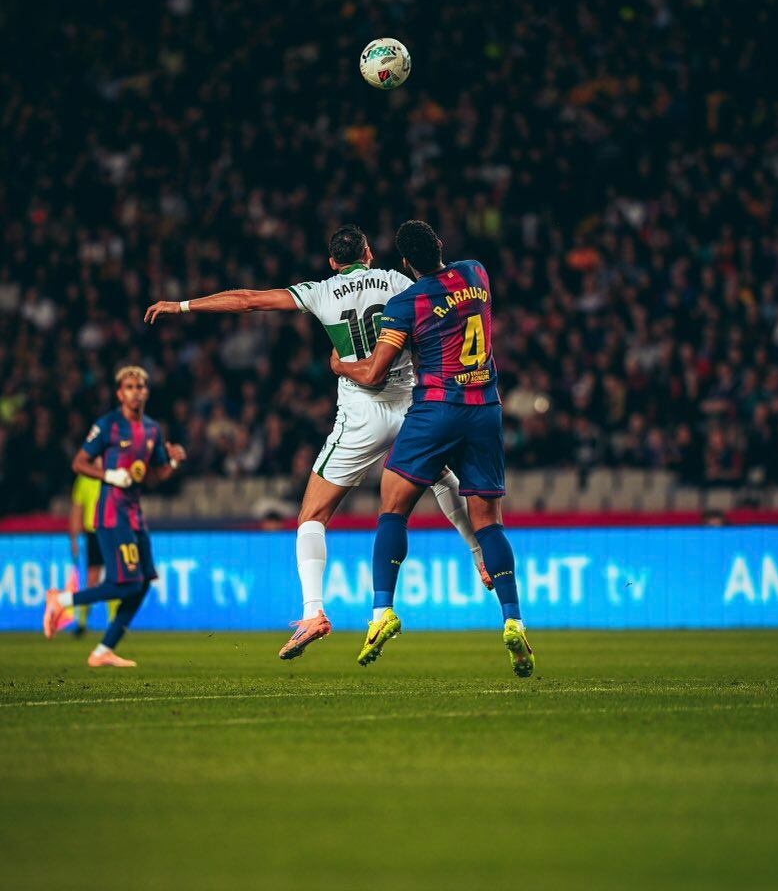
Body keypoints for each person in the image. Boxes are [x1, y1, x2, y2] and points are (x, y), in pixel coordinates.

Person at [144, 224, 491, 661]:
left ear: (332, 262)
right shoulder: (399, 281)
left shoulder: (321, 291)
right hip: (409, 403)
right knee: (441, 476)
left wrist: (182, 305)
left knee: (312, 515)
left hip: (361, 416)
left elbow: (249, 301)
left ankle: (314, 613)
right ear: (368, 252)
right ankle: (481, 555)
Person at [331, 220, 534, 677]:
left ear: (405, 263)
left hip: (437, 410)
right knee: (489, 523)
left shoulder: (406, 303)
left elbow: (375, 374)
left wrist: (340, 365)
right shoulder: (477, 274)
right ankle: (512, 619)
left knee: (393, 507)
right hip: (485, 409)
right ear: (440, 244)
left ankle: (383, 612)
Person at [43, 366, 186, 667]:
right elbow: (79, 463)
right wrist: (108, 474)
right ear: (120, 393)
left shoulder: (152, 430)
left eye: (141, 386)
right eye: (130, 387)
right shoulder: (108, 425)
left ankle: (103, 650)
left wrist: (172, 461)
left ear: (146, 392)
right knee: (129, 583)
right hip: (110, 514)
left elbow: (154, 477)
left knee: (144, 582)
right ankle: (61, 601)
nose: (136, 391)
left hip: (135, 515)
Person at [68, 464, 118, 637]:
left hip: (112, 529)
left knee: (114, 577)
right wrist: (74, 538)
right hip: (94, 532)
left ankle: (114, 622)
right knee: (92, 579)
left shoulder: (112, 474)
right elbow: (77, 508)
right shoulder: (84, 478)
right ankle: (82, 622)